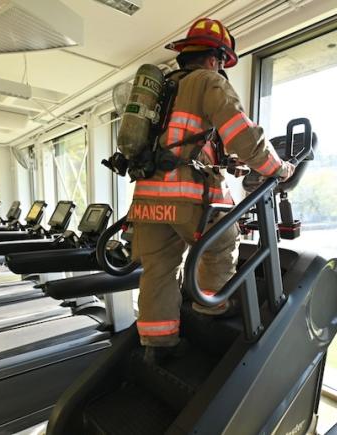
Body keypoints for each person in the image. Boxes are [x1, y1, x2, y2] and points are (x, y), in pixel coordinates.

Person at [126, 18, 295, 364]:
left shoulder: (167, 88)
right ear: (215, 58)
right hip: (188, 199)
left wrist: (228, 164)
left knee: (158, 271)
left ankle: (157, 347)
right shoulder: (209, 81)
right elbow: (242, 132)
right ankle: (211, 305)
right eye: (222, 62)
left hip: (146, 202)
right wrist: (278, 168)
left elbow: (182, 143)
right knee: (220, 244)